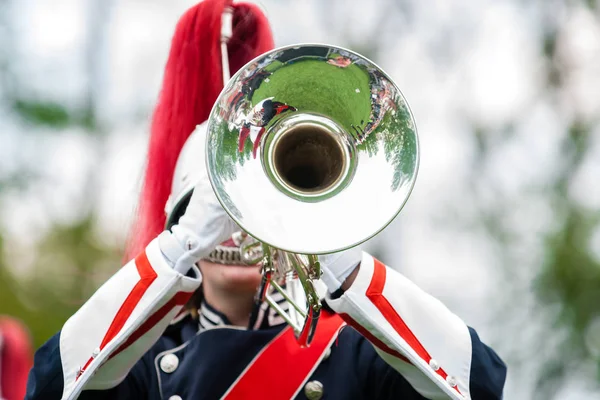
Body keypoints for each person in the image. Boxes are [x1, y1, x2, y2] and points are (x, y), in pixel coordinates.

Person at [25, 1, 507, 399]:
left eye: (252, 207)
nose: (236, 226)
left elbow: (479, 386)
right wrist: (182, 245)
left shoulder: (356, 351)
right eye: (220, 208)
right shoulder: (140, 360)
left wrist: (338, 257)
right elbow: (49, 387)